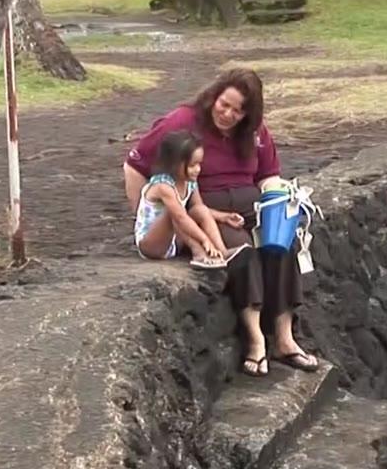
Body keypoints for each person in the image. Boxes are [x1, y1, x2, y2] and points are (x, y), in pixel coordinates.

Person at [123, 68, 318, 378]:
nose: (228, 114)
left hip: (248, 204)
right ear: (213, 96)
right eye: (224, 104)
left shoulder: (255, 133)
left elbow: (268, 175)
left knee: (283, 243)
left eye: (238, 111)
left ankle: (284, 337)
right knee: (242, 251)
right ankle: (255, 339)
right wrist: (149, 219)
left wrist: (277, 205)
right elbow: (135, 165)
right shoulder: (180, 123)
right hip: (205, 209)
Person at [134, 130, 244, 269]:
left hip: (173, 242)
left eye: (199, 164)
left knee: (200, 210)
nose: (197, 170)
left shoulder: (190, 182)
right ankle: (198, 253)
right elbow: (180, 217)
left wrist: (224, 217)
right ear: (174, 163)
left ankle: (222, 251)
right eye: (192, 165)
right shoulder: (163, 187)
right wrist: (204, 240)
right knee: (174, 213)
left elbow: (199, 208)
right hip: (152, 245)